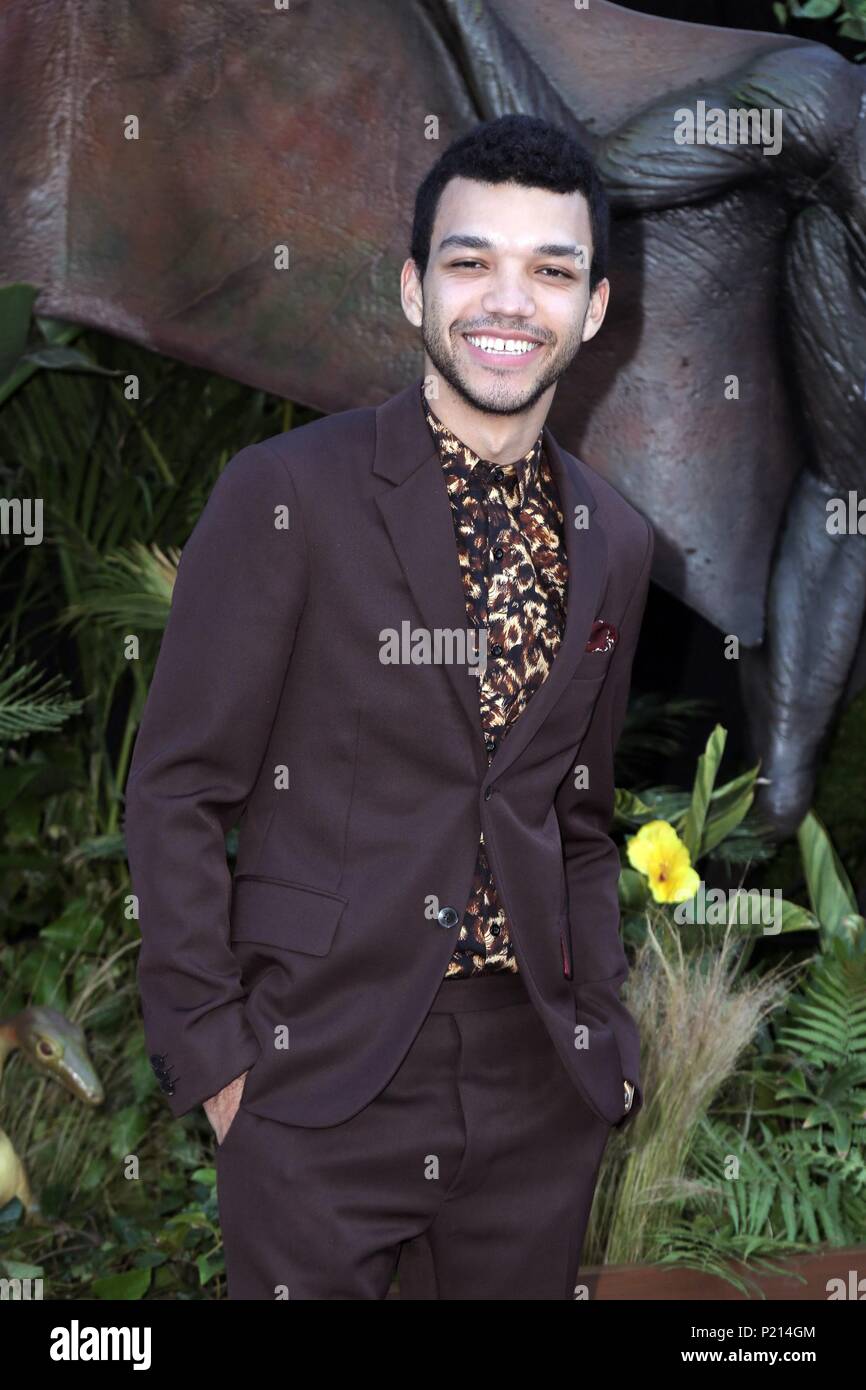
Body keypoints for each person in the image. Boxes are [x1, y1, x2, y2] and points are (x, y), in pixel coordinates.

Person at [125, 113, 654, 1300]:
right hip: (317, 1073)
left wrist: (601, 1040)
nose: (506, 301)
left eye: (548, 270)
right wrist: (218, 1060)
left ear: (594, 308)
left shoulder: (614, 540)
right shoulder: (287, 497)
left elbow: (576, 810)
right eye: (470, 262)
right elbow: (176, 787)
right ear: (414, 289)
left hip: (534, 1082)